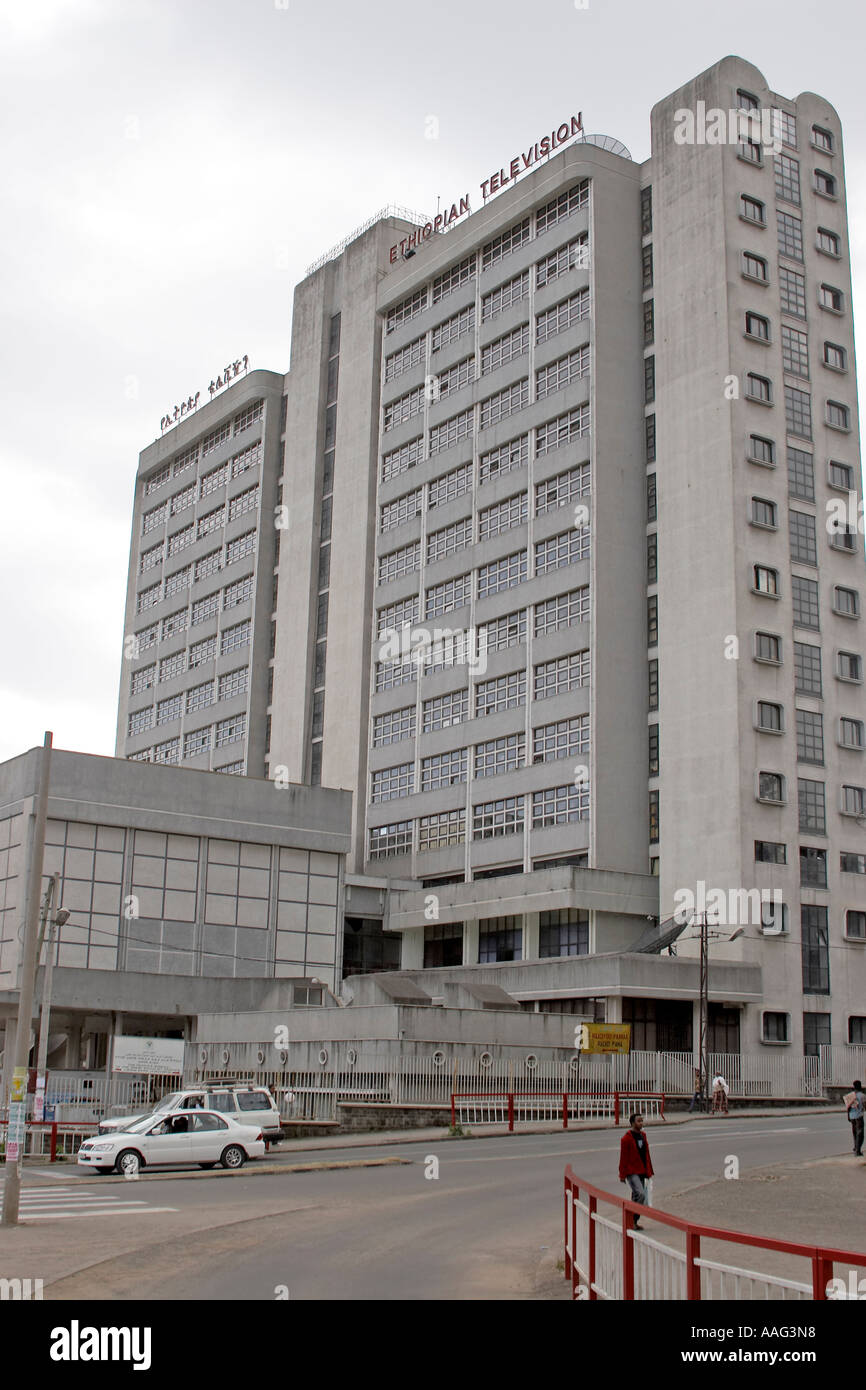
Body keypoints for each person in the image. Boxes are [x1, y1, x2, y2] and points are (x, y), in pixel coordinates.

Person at [619, 1113, 654, 1229]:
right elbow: (623, 1157)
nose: (641, 1123)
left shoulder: (643, 1136)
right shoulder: (626, 1138)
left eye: (642, 1121)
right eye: (639, 1121)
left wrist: (649, 1171)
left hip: (642, 1171)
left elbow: (646, 1155)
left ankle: (632, 1222)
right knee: (640, 1194)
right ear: (633, 1123)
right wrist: (622, 1174)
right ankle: (632, 1219)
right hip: (632, 1171)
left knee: (635, 1197)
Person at [843, 1080, 865, 1156]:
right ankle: (857, 1151)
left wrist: (848, 1116)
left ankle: (856, 1147)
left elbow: (848, 1108)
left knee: (855, 1133)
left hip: (852, 1117)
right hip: (859, 1117)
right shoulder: (862, 1096)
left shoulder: (850, 1095)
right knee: (860, 1134)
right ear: (860, 1086)